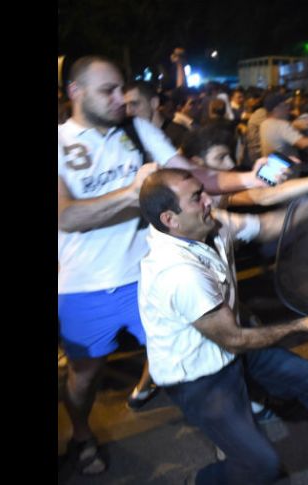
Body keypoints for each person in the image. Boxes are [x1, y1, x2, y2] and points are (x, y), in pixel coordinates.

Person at [58, 55, 276, 476]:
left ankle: (228, 439)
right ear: (75, 93)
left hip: (150, 276)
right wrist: (130, 192)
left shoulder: (136, 130)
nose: (122, 98)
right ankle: (82, 433)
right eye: (109, 91)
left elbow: (194, 175)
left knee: (209, 353)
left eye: (122, 88)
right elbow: (66, 216)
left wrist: (252, 177)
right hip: (84, 284)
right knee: (85, 376)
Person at [137, 168, 308, 484]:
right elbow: (234, 339)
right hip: (201, 377)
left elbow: (267, 226)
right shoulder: (178, 273)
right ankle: (202, 480)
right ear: (170, 219)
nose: (209, 199)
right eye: (197, 198)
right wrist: (298, 326)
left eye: (203, 191)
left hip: (231, 347)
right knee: (261, 465)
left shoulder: (208, 222)